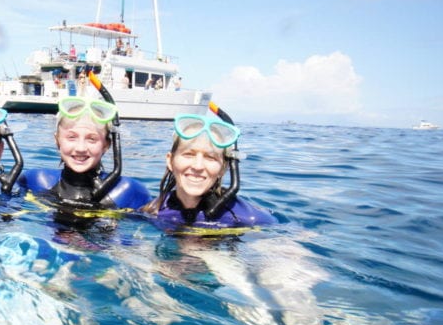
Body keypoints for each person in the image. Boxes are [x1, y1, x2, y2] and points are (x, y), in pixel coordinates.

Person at [143, 112, 276, 229]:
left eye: (210, 157)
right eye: (189, 154)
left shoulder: (248, 219)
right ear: (170, 161)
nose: (198, 166)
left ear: (223, 168)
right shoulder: (152, 210)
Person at [19, 94, 150, 212]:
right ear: (57, 140)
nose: (81, 148)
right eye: (71, 137)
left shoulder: (129, 191)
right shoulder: (35, 181)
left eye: (91, 139)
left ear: (106, 145)